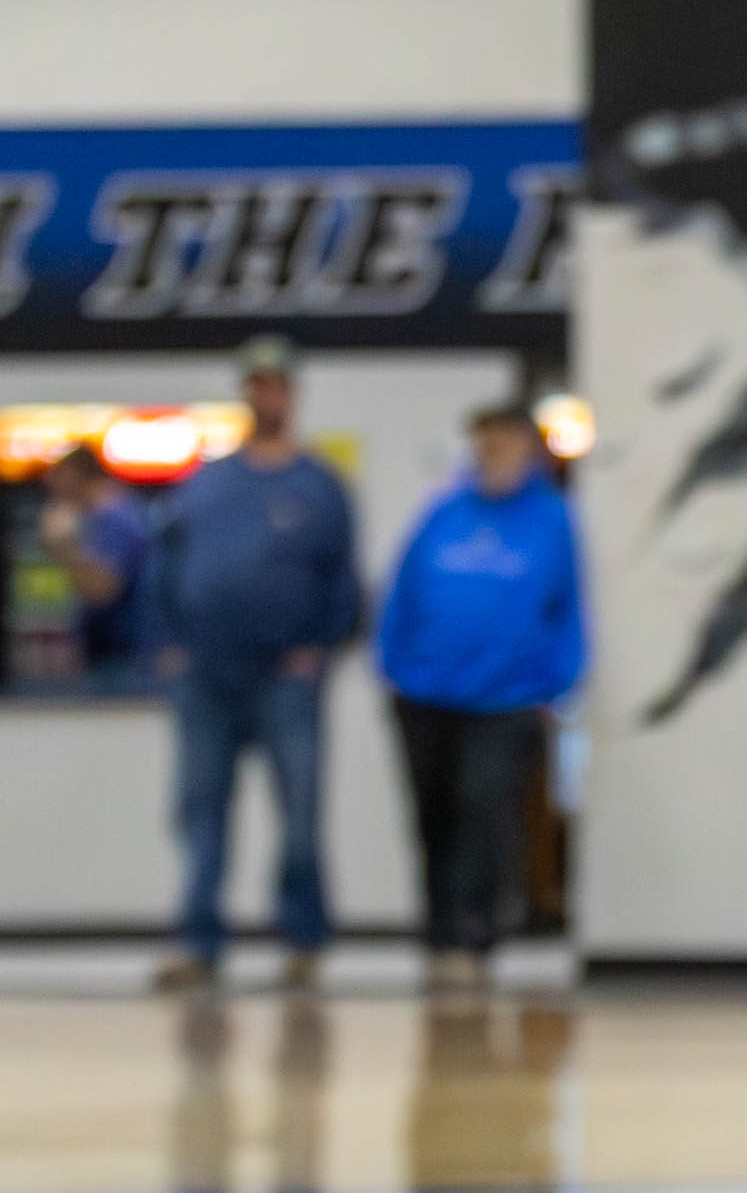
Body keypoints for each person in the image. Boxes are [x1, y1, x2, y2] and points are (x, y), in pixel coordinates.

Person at [148, 337, 362, 994]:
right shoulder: (208, 483)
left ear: (292, 396)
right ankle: (199, 941)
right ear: (244, 393)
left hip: (284, 678)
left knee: (298, 812)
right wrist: (170, 641)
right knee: (200, 811)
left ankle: (303, 939)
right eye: (255, 384)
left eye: (276, 385)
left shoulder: (320, 486)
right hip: (207, 676)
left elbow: (344, 583)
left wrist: (319, 645)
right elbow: (167, 565)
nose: (265, 396)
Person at [377, 403, 586, 994]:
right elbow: (401, 592)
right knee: (432, 816)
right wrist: (392, 666)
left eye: (505, 442)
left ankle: (475, 934)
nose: (493, 454)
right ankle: (439, 933)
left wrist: (559, 680)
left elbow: (570, 608)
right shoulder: (443, 512)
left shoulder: (552, 520)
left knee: (483, 809)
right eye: (484, 443)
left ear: (529, 448)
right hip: (424, 693)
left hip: (507, 699)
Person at [39, 443, 154, 690]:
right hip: (115, 654)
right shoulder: (107, 514)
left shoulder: (114, 518)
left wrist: (62, 546)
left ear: (74, 477)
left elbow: (103, 591)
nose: (51, 487)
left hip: (124, 657)